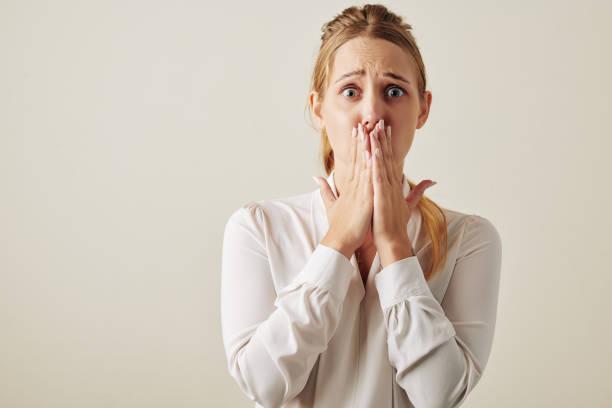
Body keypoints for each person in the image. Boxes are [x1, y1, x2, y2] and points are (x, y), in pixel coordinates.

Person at [221, 4, 502, 407]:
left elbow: (438, 396)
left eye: (394, 92)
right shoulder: (259, 227)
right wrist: (335, 245)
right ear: (319, 108)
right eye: (350, 91)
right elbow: (264, 385)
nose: (371, 114)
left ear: (422, 108)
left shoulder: (470, 239)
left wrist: (395, 246)